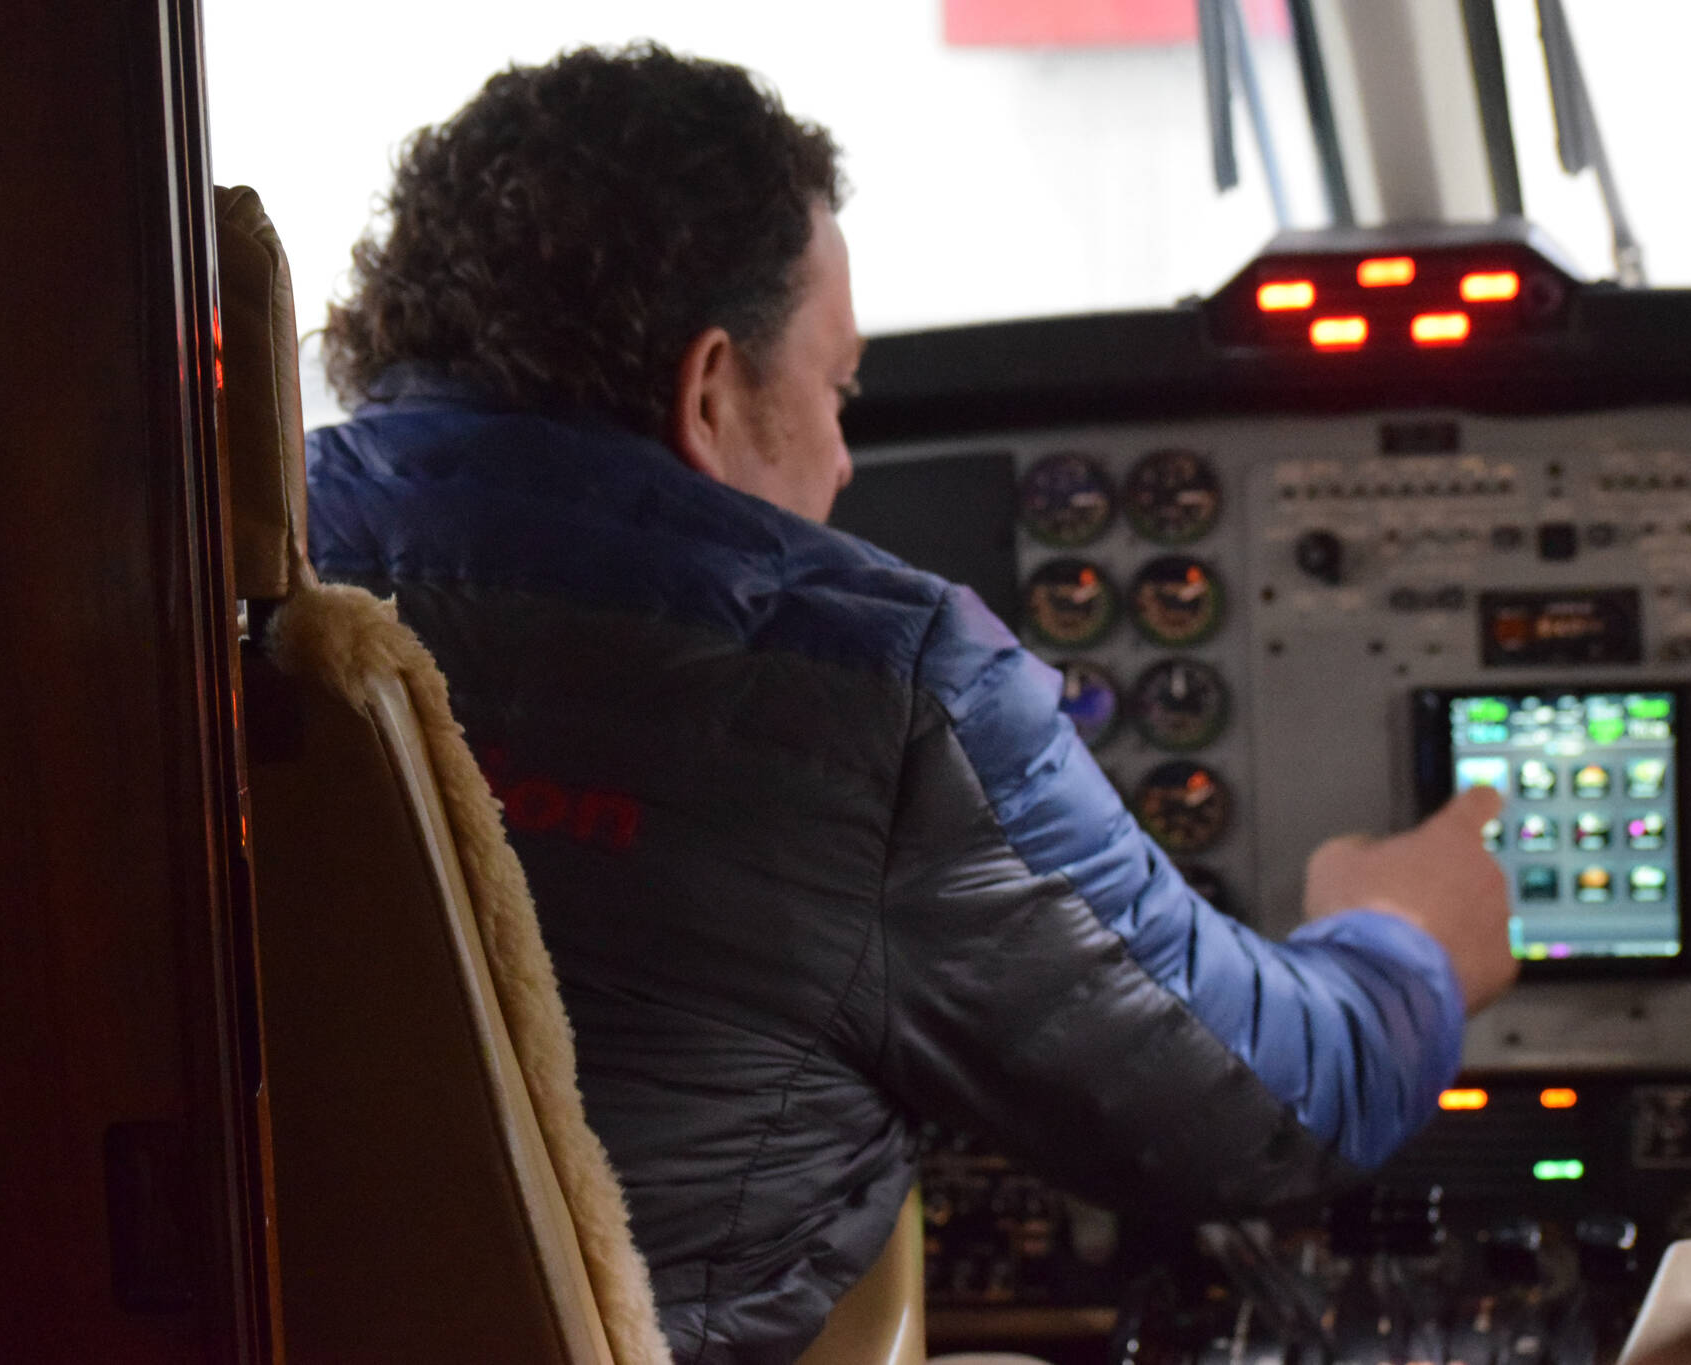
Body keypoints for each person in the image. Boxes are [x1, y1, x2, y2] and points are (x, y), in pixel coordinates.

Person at [304, 42, 1516, 1365]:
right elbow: (1259, 1105)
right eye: (835, 391)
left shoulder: (204, 582)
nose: (840, 460)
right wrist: (1406, 936)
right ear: (709, 388)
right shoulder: (879, 689)